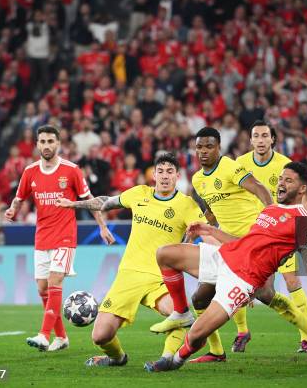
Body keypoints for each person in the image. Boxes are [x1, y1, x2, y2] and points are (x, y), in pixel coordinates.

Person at [144, 162, 307, 372]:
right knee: (164, 254)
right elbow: (243, 242)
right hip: (224, 256)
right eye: (281, 178)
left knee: (195, 335)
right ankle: (181, 312)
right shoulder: (272, 209)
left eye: (289, 180)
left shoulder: (303, 220)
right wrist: (210, 230)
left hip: (241, 280)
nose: (281, 184)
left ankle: (174, 361)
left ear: (302, 188)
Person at [55, 153, 206, 366]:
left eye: (170, 172)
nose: (164, 176)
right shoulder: (138, 193)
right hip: (128, 276)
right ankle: (117, 358)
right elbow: (105, 203)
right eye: (160, 171)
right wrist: (73, 204)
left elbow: (204, 230)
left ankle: (167, 359)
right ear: (153, 174)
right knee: (100, 335)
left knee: (181, 314)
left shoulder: (186, 205)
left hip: (160, 277)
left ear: (178, 176)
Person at [157, 126, 273, 361]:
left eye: (209, 146)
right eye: (199, 147)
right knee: (200, 298)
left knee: (265, 294)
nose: (203, 151)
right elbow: (212, 211)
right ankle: (217, 352)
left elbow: (260, 188)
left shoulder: (229, 166)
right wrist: (204, 226)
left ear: (219, 147)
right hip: (229, 245)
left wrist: (273, 219)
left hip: (254, 240)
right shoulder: (198, 179)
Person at [4, 125, 114, 352]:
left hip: (65, 236)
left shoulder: (72, 170)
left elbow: (91, 200)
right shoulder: (30, 172)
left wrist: (102, 226)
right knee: (42, 289)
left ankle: (44, 335)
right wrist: (12, 210)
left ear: (58, 144)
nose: (46, 145)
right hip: (42, 237)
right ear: (37, 144)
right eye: (42, 141)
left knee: (55, 282)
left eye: (50, 141)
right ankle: (61, 337)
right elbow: (19, 198)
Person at [236, 120, 307, 353]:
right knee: (240, 281)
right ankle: (242, 331)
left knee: (292, 281)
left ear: (272, 140)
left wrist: (300, 219)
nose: (260, 140)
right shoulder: (240, 164)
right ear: (250, 140)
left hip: (281, 230)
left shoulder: (285, 165)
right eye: (256, 136)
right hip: (254, 231)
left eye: (264, 136)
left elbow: (305, 195)